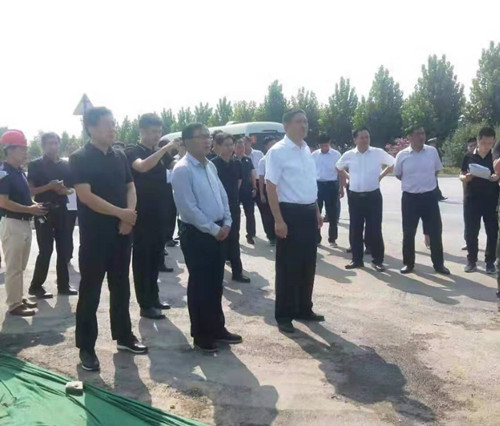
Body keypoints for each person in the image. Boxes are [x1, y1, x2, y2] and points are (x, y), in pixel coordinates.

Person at [69, 107, 147, 372]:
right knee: (90, 291)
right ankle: (86, 347)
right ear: (91, 128)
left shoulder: (120, 156)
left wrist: (128, 217)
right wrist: (120, 213)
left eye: (114, 124)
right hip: (95, 237)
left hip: (122, 233)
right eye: (107, 124)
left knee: (121, 287)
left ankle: (124, 336)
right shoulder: (79, 158)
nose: (113, 128)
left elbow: (130, 187)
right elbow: (86, 196)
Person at [172, 123, 242, 353]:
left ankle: (217, 328)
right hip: (198, 234)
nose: (207, 140)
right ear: (187, 141)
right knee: (200, 285)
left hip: (219, 230)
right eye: (201, 137)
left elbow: (223, 196)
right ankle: (202, 335)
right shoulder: (182, 170)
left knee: (215, 283)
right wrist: (213, 229)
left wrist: (228, 222)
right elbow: (188, 208)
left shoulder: (210, 165)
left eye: (208, 136)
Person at [265, 109, 324, 334]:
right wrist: (278, 220)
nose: (304, 125)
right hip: (289, 213)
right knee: (288, 267)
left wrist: (316, 210)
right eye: (299, 121)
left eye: (306, 121)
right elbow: (271, 186)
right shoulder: (277, 152)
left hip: (308, 213)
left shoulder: (306, 150)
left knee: (308, 264)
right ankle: (284, 314)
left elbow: (310, 183)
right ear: (286, 126)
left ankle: (304, 308)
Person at [125, 113, 178, 320]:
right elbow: (142, 166)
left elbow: (176, 168)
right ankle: (145, 304)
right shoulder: (132, 151)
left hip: (160, 213)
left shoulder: (160, 154)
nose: (157, 135)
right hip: (142, 214)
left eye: (159, 131)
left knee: (156, 258)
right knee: (143, 260)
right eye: (153, 131)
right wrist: (165, 148)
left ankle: (154, 298)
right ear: (142, 131)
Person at [0, 130, 47, 316]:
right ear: (10, 150)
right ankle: (14, 304)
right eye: (22, 148)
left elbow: (24, 197)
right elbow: (3, 202)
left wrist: (34, 206)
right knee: (13, 267)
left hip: (23, 223)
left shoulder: (18, 172)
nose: (25, 152)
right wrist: (29, 209)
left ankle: (18, 297)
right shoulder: (4, 173)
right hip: (13, 223)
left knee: (20, 266)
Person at [336, 128, 394, 272]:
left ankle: (377, 260)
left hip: (373, 196)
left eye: (367, 137)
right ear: (355, 140)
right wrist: (349, 177)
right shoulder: (349, 154)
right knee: (355, 228)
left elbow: (392, 164)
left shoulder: (377, 152)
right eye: (361, 137)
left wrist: (380, 176)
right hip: (355, 197)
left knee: (375, 228)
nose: (365, 140)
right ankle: (357, 260)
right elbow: (338, 167)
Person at [394, 125, 450, 275]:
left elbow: (436, 170)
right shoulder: (402, 155)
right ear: (410, 137)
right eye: (417, 134)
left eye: (423, 133)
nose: (421, 137)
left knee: (435, 232)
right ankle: (408, 264)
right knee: (408, 232)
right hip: (410, 198)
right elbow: (398, 174)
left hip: (429, 197)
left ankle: (439, 264)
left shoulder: (432, 152)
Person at [27, 132, 78, 299]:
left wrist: (65, 191)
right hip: (43, 211)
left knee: (64, 248)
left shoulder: (66, 165)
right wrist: (49, 186)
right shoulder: (35, 165)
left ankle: (63, 285)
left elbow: (71, 188)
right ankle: (36, 286)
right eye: (49, 143)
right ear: (43, 145)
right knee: (46, 250)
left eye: (55, 143)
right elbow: (31, 191)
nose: (53, 146)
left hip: (62, 210)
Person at [211, 133, 251, 283]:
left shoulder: (237, 163)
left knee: (234, 238)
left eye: (231, 145)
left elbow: (238, 182)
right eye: (225, 145)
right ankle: (217, 275)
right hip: (217, 207)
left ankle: (237, 272)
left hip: (233, 206)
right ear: (217, 146)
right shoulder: (212, 165)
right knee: (219, 240)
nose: (229, 148)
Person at [460, 127, 499, 274]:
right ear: (478, 140)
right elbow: (461, 175)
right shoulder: (468, 156)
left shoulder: (495, 158)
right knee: (471, 232)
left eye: (490, 143)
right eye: (483, 143)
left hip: (491, 200)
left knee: (492, 232)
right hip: (472, 199)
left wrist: (497, 177)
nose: (486, 146)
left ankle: (490, 262)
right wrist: (466, 177)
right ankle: (471, 261)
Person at [312, 133, 341, 247]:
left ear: (329, 143)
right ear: (318, 145)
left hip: (331, 185)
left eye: (326, 145)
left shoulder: (336, 155)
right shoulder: (314, 155)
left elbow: (340, 172)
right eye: (322, 145)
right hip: (317, 185)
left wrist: (341, 187)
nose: (324, 147)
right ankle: (316, 239)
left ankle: (332, 239)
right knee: (316, 213)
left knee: (332, 214)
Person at [235, 139, 257, 244]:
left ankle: (250, 235)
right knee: (236, 215)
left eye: (243, 147)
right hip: (236, 191)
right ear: (235, 148)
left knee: (250, 213)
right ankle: (235, 235)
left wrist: (254, 187)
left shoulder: (248, 160)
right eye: (239, 147)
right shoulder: (232, 160)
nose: (241, 149)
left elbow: (253, 174)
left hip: (247, 190)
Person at [162, 137, 183, 248]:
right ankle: (165, 238)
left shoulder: (170, 159)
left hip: (172, 188)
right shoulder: (161, 158)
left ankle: (169, 237)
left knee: (172, 213)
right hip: (164, 188)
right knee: (166, 214)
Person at [257, 136, 277, 245]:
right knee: (268, 215)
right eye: (271, 144)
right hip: (267, 188)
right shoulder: (263, 161)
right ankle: (271, 236)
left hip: (279, 188)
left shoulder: (279, 158)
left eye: (275, 143)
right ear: (266, 146)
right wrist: (261, 194)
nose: (273, 146)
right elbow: (261, 179)